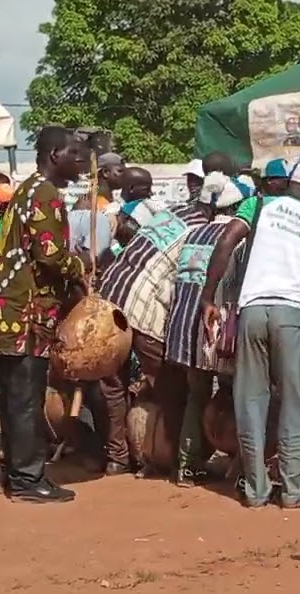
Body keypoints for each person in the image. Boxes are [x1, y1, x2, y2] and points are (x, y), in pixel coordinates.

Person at [200, 148, 300, 510]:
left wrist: (208, 296)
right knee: (295, 403)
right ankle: (293, 492)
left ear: (290, 182)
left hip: (252, 311)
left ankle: (256, 490)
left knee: (251, 401)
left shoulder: (258, 207)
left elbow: (227, 240)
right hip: (292, 314)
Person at [0, 126, 87, 502]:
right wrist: (80, 268)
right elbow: (50, 255)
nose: (80, 161)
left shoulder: (25, 189)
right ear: (55, 154)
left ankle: (17, 474)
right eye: (75, 153)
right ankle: (28, 480)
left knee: (14, 397)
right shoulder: (44, 193)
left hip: (6, 310)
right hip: (27, 314)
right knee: (26, 398)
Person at [94, 175, 215, 476]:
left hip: (110, 295)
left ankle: (117, 458)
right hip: (144, 308)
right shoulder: (205, 231)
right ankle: (180, 461)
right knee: (171, 386)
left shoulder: (171, 213)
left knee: (113, 386)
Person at [164, 172, 256, 486]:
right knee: (244, 395)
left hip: (184, 325)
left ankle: (187, 468)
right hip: (217, 326)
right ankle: (244, 470)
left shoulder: (192, 233)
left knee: (197, 394)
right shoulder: (241, 238)